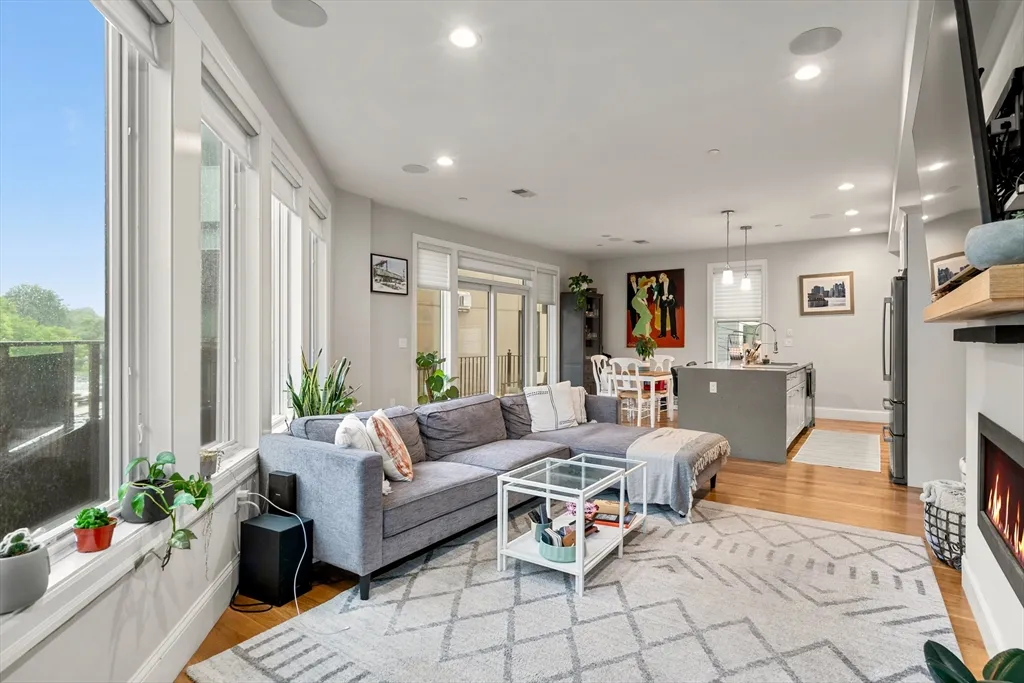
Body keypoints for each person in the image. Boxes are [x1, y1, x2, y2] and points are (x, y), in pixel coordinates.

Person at [656, 272, 678, 339]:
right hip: (663, 301)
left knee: (672, 318)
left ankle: (674, 334)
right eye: (661, 278)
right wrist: (662, 296)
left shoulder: (671, 281)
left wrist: (671, 295)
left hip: (671, 300)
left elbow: (675, 289)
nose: (662, 279)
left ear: (666, 275)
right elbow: (659, 292)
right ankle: (663, 333)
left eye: (663, 277)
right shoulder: (661, 283)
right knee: (663, 318)